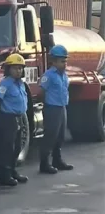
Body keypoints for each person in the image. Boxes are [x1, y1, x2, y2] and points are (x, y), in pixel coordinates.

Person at [0, 53, 30, 186]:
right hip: (7, 119)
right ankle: (5, 175)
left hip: (19, 118)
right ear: (8, 69)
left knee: (17, 146)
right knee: (7, 148)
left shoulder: (21, 84)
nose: (18, 71)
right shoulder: (5, 84)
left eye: (20, 68)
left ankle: (13, 171)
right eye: (15, 68)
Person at [39, 45, 74, 174]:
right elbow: (41, 92)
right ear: (53, 61)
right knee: (50, 136)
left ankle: (57, 160)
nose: (64, 64)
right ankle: (44, 163)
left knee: (60, 136)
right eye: (61, 61)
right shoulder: (48, 75)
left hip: (62, 107)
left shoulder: (64, 75)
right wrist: (47, 105)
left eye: (65, 61)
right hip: (52, 108)